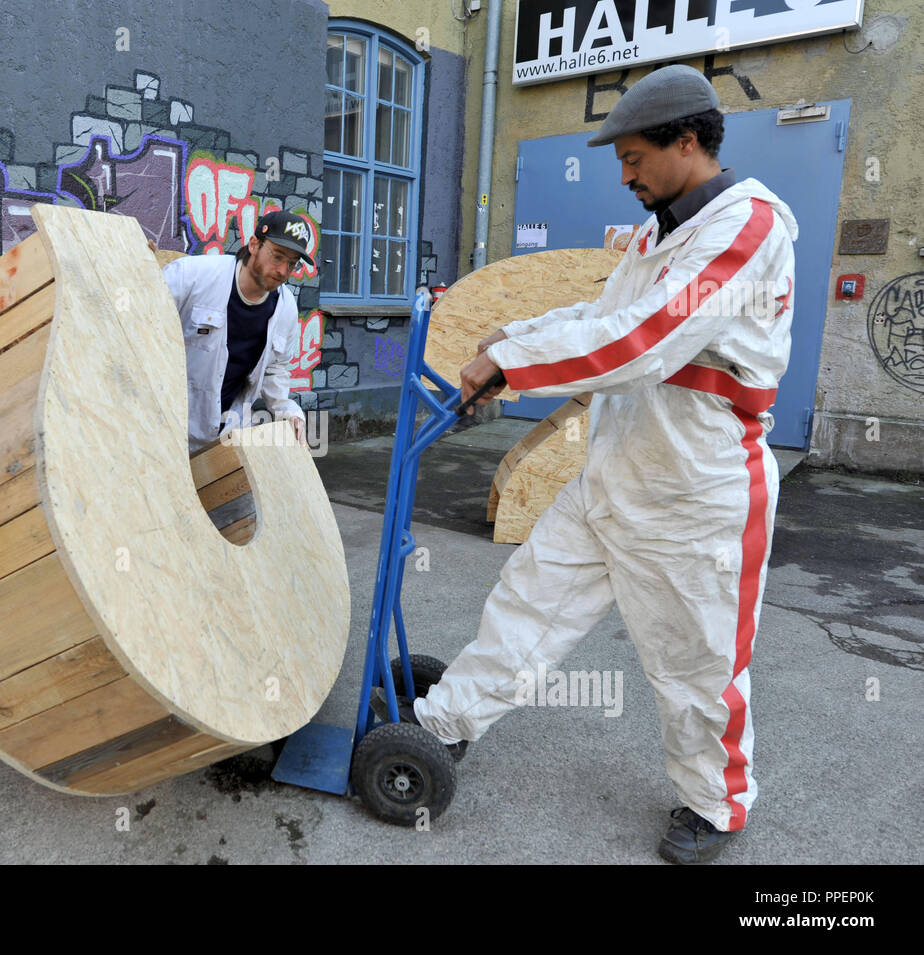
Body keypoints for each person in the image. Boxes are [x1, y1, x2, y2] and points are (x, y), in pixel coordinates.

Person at [378, 65, 798, 864]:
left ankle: (714, 805)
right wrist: (509, 338)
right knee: (526, 606)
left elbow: (638, 340)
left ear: (686, 141)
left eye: (635, 156)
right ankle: (441, 727)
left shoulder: (748, 228)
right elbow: (601, 314)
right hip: (615, 470)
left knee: (696, 665)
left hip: (695, 494)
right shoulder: (658, 229)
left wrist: (511, 365)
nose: (623, 172)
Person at [160, 210, 311, 452]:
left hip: (226, 437)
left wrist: (288, 411)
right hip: (164, 429)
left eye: (292, 264)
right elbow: (139, 326)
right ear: (254, 244)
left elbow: (276, 368)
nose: (283, 271)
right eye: (277, 256)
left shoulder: (286, 308)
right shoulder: (192, 276)